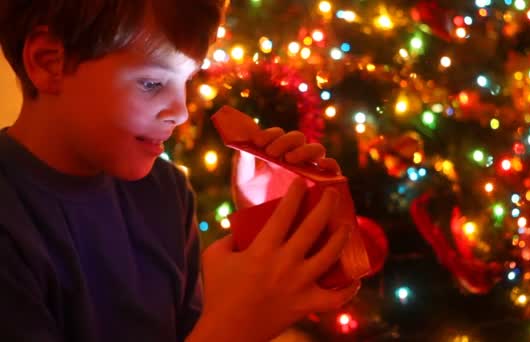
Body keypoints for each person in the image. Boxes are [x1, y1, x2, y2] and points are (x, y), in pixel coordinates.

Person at [0, 1, 360, 341]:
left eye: (186, 81)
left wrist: (268, 220)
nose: (181, 111)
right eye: (152, 83)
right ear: (49, 63)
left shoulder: (166, 191)